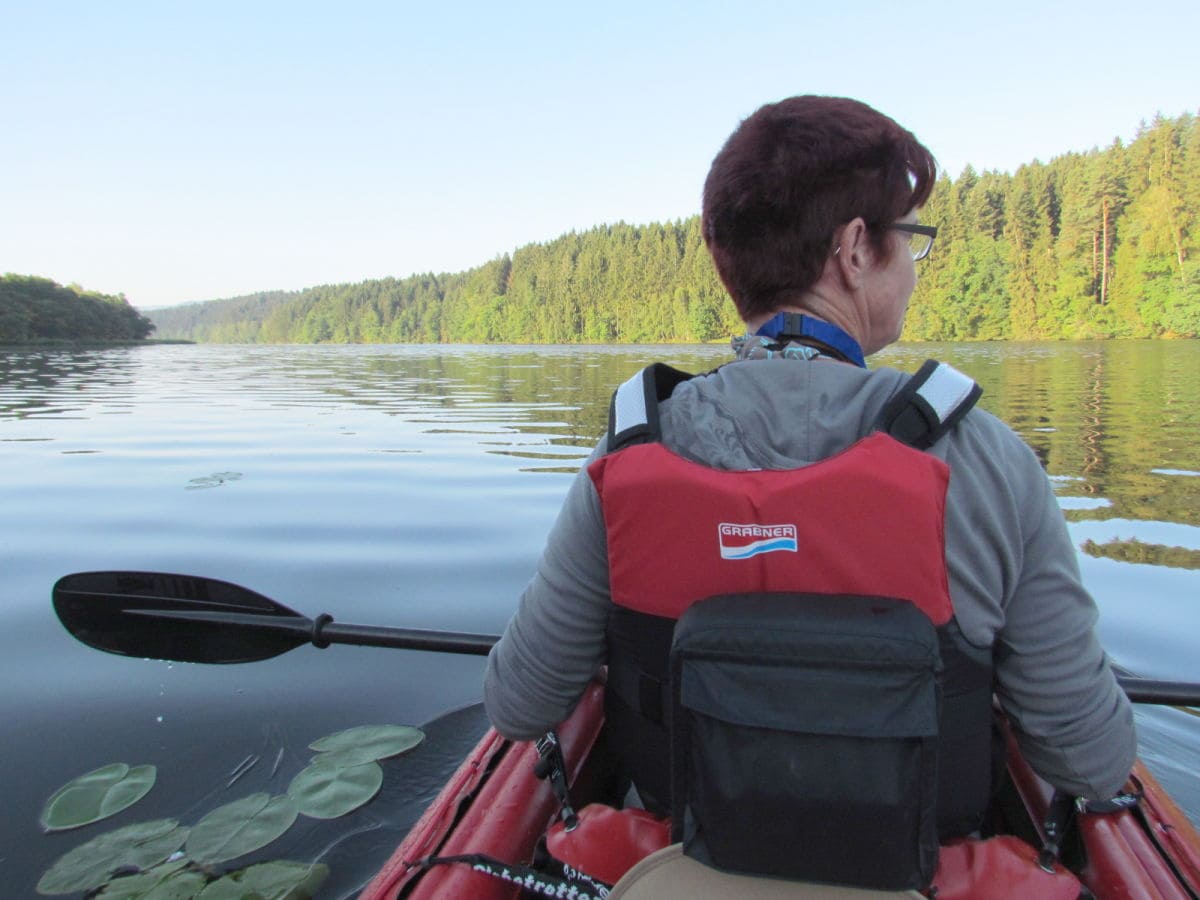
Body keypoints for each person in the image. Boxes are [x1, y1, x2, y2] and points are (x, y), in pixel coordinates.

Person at [483, 96, 1135, 832]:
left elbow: (520, 704)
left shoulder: (632, 453)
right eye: (909, 239)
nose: (915, 268)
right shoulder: (986, 459)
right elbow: (1090, 760)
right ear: (855, 250)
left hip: (692, 862)